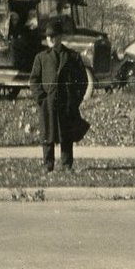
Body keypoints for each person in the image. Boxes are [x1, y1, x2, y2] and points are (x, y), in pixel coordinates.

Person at [29, 17, 90, 173]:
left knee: (66, 135)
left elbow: (82, 80)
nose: (50, 39)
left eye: (54, 36)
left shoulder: (72, 57)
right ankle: (47, 165)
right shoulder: (41, 58)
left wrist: (75, 99)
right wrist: (41, 98)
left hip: (66, 103)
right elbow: (34, 80)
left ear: (60, 37)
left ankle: (67, 164)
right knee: (47, 135)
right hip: (48, 103)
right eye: (48, 36)